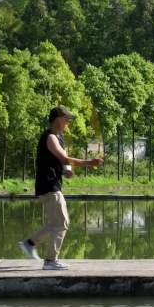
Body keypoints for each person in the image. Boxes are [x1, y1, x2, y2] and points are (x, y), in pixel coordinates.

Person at [18, 106, 103, 270]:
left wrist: (67, 171)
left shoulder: (59, 138)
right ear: (58, 119)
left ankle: (29, 244)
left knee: (56, 222)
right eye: (67, 119)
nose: (68, 122)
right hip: (49, 185)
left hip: (51, 185)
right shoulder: (50, 137)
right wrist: (89, 163)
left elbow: (63, 162)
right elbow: (64, 157)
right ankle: (50, 261)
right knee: (62, 222)